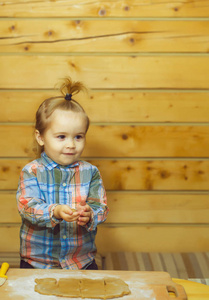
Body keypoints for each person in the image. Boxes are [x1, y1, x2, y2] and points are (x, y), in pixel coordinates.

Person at [16, 78, 109, 270]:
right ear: (40, 137)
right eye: (61, 136)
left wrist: (90, 214)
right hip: (38, 263)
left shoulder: (90, 172)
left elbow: (101, 207)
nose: (71, 144)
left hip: (81, 261)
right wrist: (55, 211)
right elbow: (28, 208)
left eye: (78, 136)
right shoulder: (32, 171)